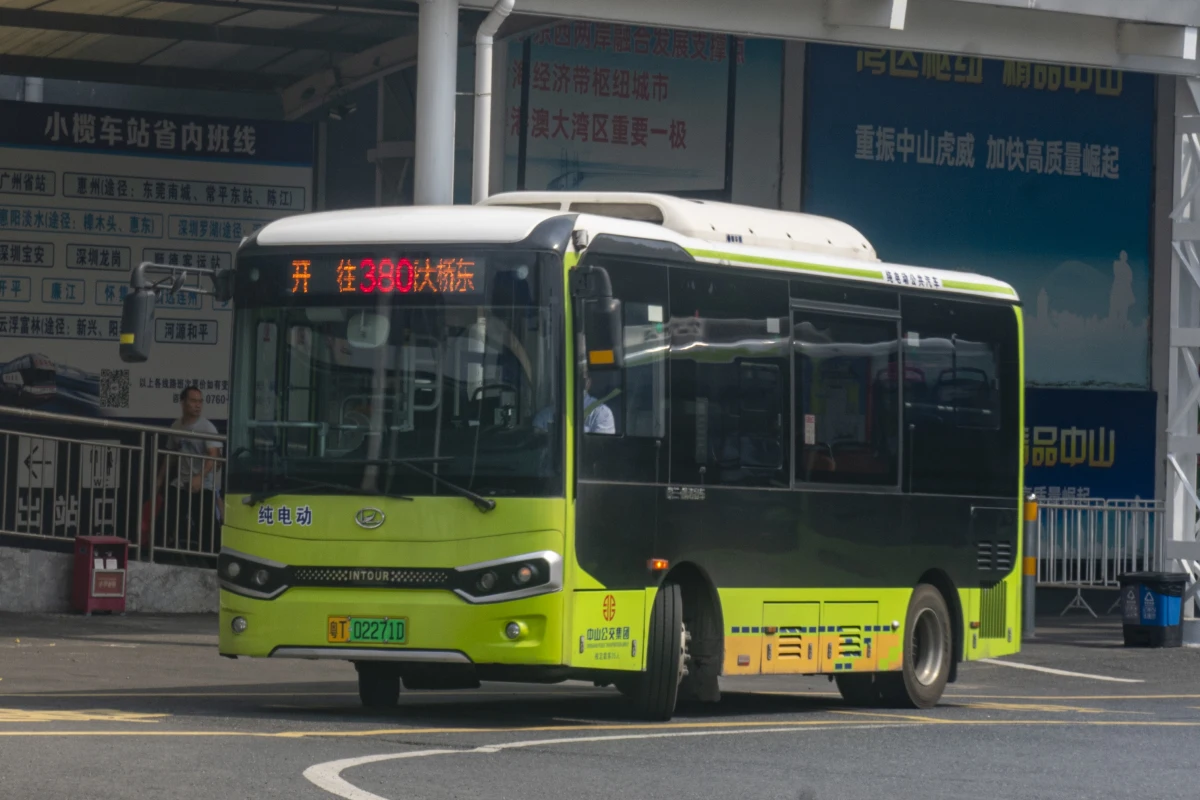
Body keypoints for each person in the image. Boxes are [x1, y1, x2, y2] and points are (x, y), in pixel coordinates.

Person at [155, 386, 223, 552]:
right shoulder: (176, 426)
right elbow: (170, 455)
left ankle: (212, 559)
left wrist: (200, 477)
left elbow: (213, 455)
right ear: (183, 403)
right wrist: (160, 479)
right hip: (181, 483)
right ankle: (161, 554)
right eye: (193, 401)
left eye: (200, 401)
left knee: (207, 528)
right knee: (166, 519)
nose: (197, 405)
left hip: (204, 485)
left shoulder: (207, 428)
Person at [533, 374, 615, 435]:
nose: (573, 381)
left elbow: (600, 447)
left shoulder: (601, 413)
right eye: (568, 377)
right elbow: (537, 441)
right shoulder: (545, 415)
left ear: (588, 383)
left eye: (580, 378)